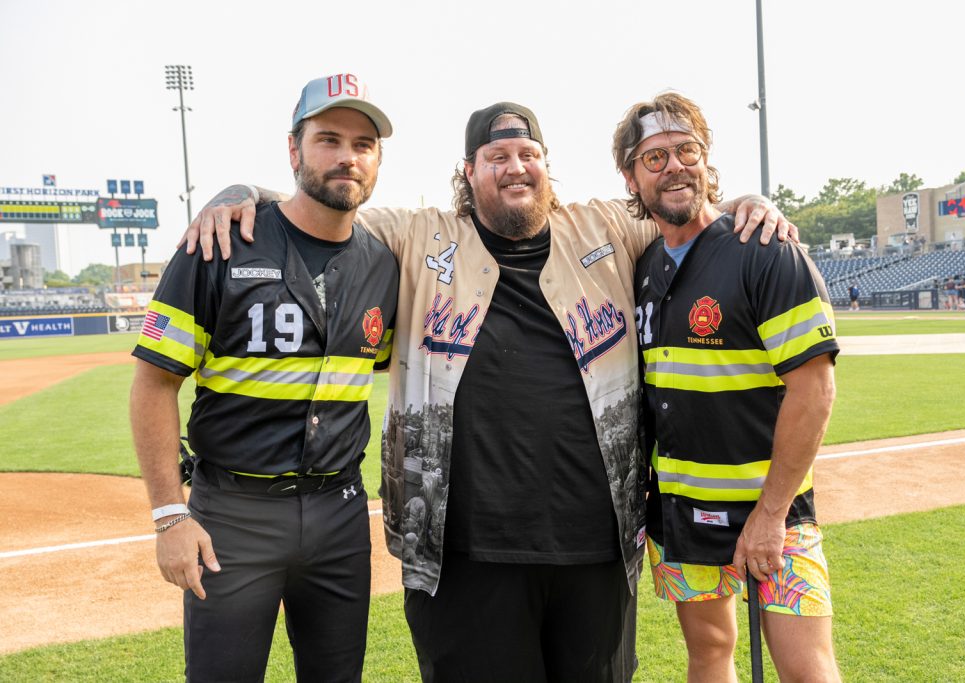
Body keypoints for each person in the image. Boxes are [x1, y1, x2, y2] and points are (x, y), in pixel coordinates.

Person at [184, 101, 795, 682]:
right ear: (468, 172)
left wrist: (752, 200)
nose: (515, 166)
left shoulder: (604, 225)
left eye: (527, 152)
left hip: (595, 545)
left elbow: (681, 205)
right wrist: (241, 193)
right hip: (461, 551)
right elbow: (325, 204)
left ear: (547, 166)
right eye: (496, 156)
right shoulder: (418, 234)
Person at [129, 72, 399, 681]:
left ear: (378, 160)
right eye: (328, 139)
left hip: (340, 513)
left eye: (363, 144)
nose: (346, 157)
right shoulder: (222, 242)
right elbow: (153, 383)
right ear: (294, 149)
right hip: (233, 517)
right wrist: (170, 517)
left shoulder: (383, 263)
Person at [612, 93, 841, 681]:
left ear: (706, 159)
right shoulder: (643, 268)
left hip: (774, 515)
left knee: (805, 668)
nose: (674, 166)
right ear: (632, 177)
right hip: (684, 512)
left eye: (686, 150)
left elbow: (814, 391)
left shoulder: (765, 250)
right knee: (709, 653)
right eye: (654, 156)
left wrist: (770, 514)